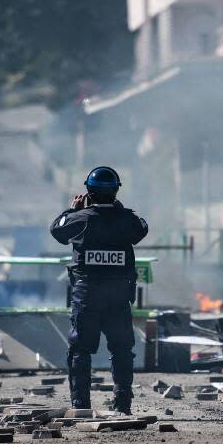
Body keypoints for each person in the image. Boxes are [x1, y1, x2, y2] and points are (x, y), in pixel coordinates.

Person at [50, 166, 148, 414]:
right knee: (122, 348)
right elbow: (142, 228)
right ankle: (122, 403)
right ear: (115, 192)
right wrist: (118, 208)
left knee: (81, 350)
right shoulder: (127, 220)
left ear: (88, 192)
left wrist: (73, 210)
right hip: (117, 295)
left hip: (87, 296)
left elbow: (57, 230)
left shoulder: (80, 219)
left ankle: (81, 405)